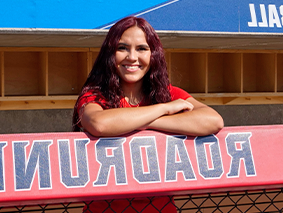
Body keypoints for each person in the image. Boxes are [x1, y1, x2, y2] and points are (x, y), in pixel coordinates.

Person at [73, 16, 224, 213]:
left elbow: (213, 121)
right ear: (110, 53)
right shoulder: (94, 94)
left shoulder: (166, 93)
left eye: (142, 49)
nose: (132, 57)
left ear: (154, 54)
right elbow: (99, 123)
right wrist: (164, 109)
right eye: (122, 48)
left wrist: (150, 122)